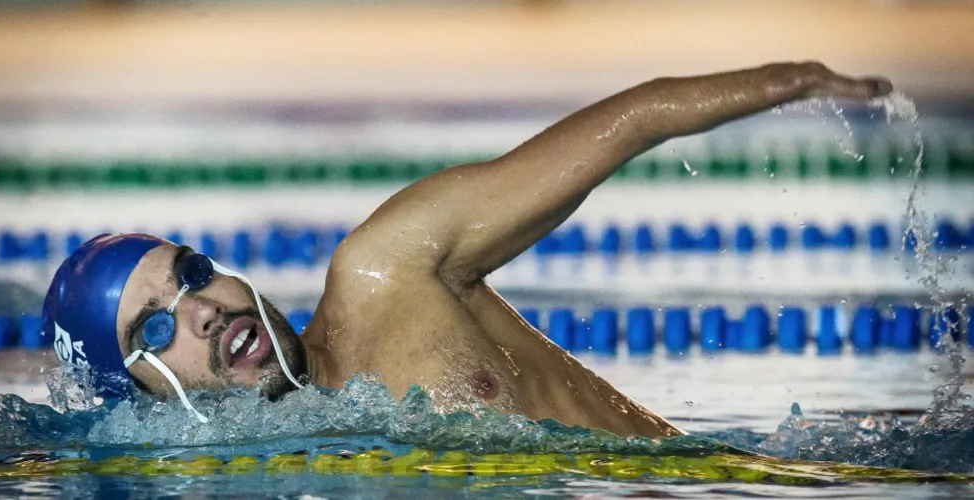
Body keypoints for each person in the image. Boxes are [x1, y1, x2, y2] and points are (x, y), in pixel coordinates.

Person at [43, 62, 890, 437]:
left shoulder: (386, 270)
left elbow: (633, 122)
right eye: (155, 331)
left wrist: (793, 81)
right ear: (137, 397)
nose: (200, 310)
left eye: (191, 275)